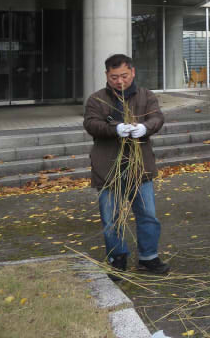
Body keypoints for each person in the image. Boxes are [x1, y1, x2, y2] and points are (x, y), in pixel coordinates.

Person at [84, 54, 170, 276]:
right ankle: (117, 258)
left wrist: (145, 127)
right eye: (114, 77)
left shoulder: (146, 96)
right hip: (108, 168)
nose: (119, 81)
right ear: (106, 75)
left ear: (132, 72)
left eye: (124, 75)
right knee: (111, 218)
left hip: (140, 168)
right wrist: (115, 129)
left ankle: (148, 258)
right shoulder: (96, 99)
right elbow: (91, 124)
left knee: (148, 215)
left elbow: (157, 118)